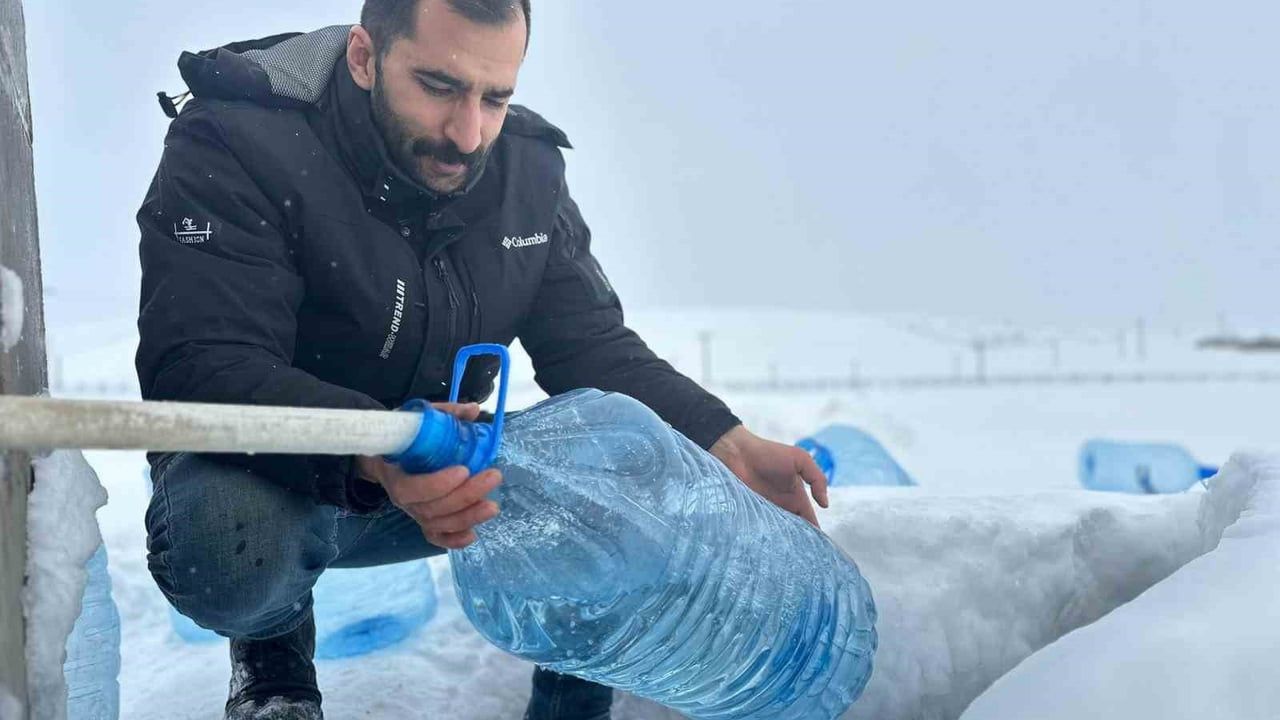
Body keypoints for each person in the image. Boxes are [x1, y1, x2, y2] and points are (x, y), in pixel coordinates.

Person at [136, 1, 829, 718]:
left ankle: (571, 706)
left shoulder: (525, 173)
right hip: (283, 473)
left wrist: (726, 440)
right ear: (364, 58)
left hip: (443, 466)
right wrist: (380, 448)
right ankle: (273, 661)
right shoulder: (236, 137)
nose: (468, 135)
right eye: (438, 86)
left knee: (625, 471)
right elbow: (203, 363)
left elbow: (589, 346)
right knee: (229, 546)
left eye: (495, 97)